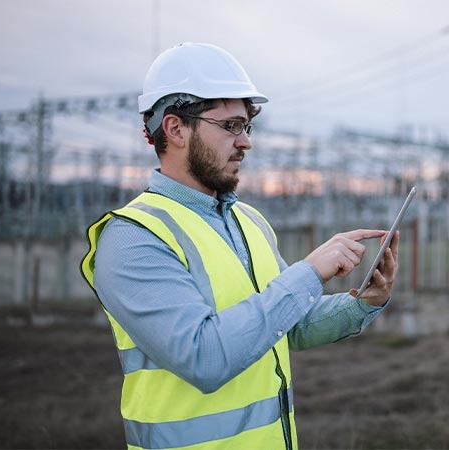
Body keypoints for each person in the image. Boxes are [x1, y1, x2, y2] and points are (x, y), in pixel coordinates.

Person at [80, 42, 399, 450]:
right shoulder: (133, 237)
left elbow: (290, 325)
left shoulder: (248, 221)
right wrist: (309, 272)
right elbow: (204, 358)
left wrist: (362, 303)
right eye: (231, 126)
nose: (246, 142)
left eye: (247, 127)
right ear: (176, 129)